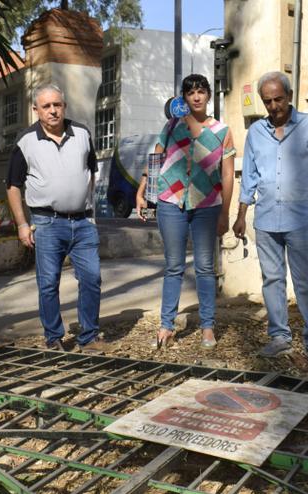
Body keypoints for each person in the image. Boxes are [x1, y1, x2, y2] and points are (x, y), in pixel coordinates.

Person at [232, 71, 308, 370]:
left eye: (278, 99)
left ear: (289, 96)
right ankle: (279, 336)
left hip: (301, 218)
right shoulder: (256, 133)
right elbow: (248, 177)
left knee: (306, 283)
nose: (274, 106)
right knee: (272, 280)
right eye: (268, 101)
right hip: (265, 220)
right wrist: (240, 216)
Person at [6, 84, 109, 354]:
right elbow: (13, 186)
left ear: (64, 105)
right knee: (48, 283)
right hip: (47, 223)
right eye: (46, 106)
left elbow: (92, 172)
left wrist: (90, 213)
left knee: (92, 278)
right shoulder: (25, 141)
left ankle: (89, 337)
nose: (53, 111)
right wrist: (22, 224)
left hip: (83, 223)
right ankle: (54, 337)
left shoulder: (83, 134)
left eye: (57, 105)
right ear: (36, 110)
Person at [135, 74, 236, 350]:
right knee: (173, 266)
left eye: (201, 91)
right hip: (171, 201)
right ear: (184, 97)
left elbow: (228, 176)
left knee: (205, 267)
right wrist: (143, 190)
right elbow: (155, 159)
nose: (196, 96)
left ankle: (207, 327)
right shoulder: (171, 127)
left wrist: (225, 213)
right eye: (191, 92)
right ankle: (166, 326)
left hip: (207, 204)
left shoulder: (222, 131)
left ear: (208, 95)